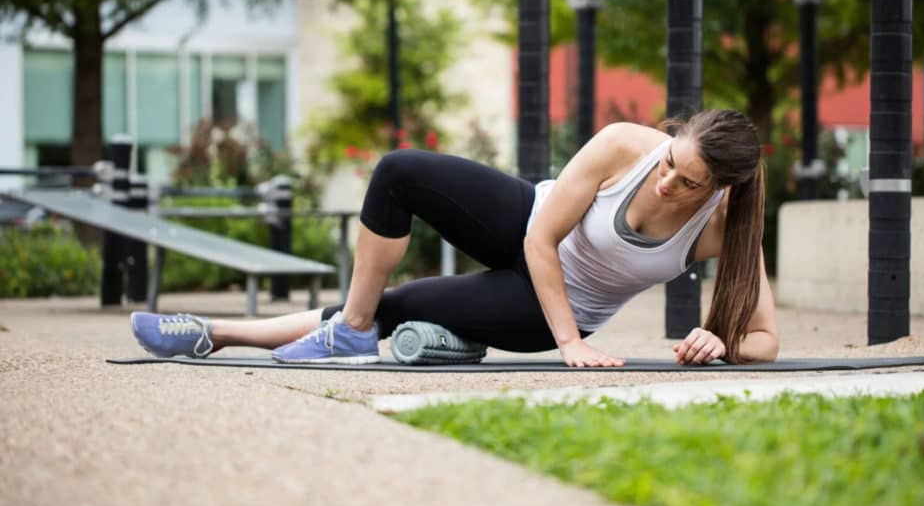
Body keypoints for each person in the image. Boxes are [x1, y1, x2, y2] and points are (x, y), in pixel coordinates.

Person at [130, 109, 778, 368]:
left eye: (687, 182)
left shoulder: (727, 229)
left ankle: (211, 333)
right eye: (669, 161)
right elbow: (541, 239)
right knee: (399, 171)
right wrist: (572, 346)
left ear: (722, 188)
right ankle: (350, 326)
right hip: (531, 223)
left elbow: (766, 341)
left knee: (403, 306)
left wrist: (723, 343)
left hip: (546, 307)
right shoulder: (624, 145)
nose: (666, 181)